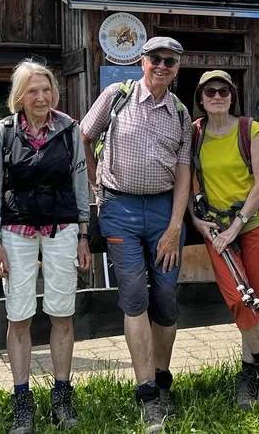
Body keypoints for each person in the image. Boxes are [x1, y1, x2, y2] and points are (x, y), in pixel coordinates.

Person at [80, 36, 192, 434]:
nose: (162, 66)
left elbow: (184, 172)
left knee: (165, 296)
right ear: (142, 61)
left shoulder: (180, 113)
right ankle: (147, 395)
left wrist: (175, 225)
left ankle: (162, 381)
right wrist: (96, 182)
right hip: (120, 210)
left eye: (169, 61)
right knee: (133, 296)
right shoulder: (116, 96)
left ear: (177, 68)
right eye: (155, 59)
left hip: (163, 211)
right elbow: (83, 137)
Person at [0, 61, 91, 433]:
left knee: (62, 313)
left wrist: (83, 234)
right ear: (20, 95)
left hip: (62, 229)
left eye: (46, 90)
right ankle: (22, 402)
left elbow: (80, 182)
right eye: (33, 91)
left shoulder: (70, 129)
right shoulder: (2, 131)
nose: (41, 97)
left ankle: (62, 396)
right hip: (16, 230)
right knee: (19, 316)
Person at [187, 70, 259, 411]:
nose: (217, 97)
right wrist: (196, 220)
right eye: (210, 91)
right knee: (240, 300)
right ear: (201, 98)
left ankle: (248, 375)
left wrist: (237, 224)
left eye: (223, 91)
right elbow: (187, 180)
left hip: (253, 223)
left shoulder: (249, 129)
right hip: (216, 229)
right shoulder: (195, 133)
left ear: (232, 95)